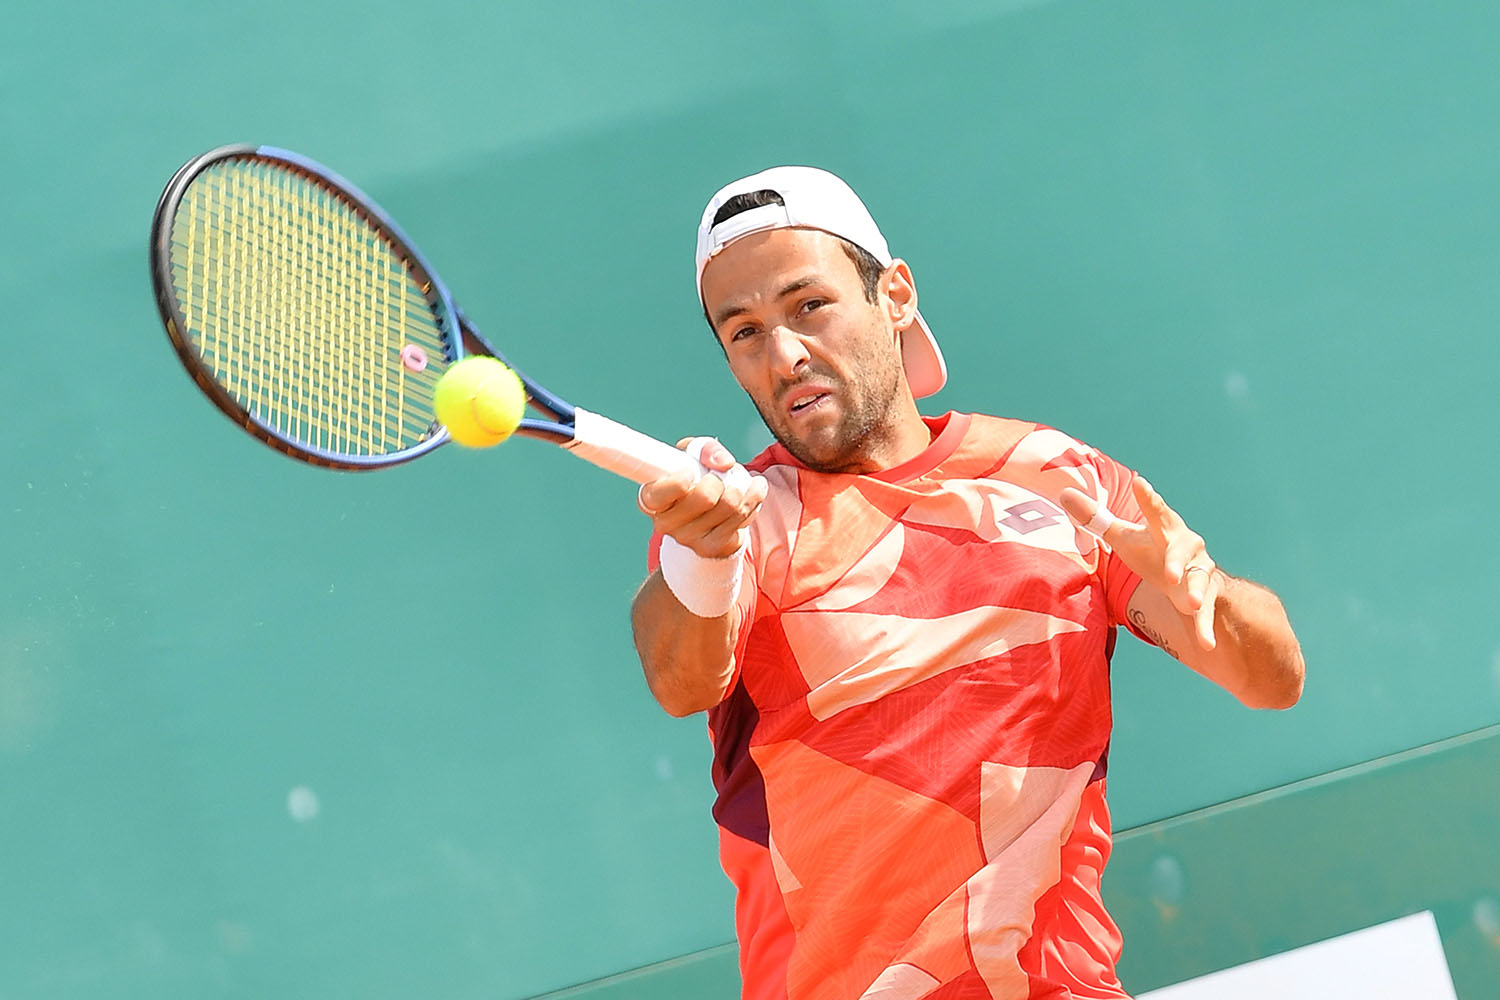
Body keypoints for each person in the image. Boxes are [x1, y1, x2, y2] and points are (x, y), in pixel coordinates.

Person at [630, 166, 1305, 1000]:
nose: (785, 354)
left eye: (809, 305)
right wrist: (698, 555)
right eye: (745, 331)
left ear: (895, 295)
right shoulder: (737, 525)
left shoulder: (1053, 478)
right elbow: (680, 678)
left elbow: (1271, 679)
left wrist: (1205, 592)